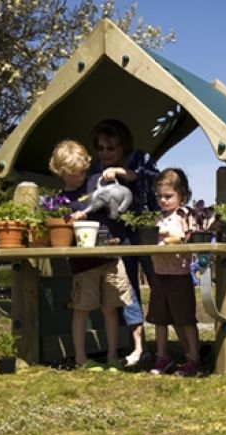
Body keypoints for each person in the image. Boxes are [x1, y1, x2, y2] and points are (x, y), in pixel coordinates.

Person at [49, 139, 132, 371]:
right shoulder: (60, 200)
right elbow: (59, 230)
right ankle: (81, 359)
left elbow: (118, 196)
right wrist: (70, 219)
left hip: (110, 257)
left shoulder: (97, 182)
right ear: (61, 173)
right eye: (75, 174)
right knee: (82, 309)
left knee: (111, 309)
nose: (80, 177)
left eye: (83, 171)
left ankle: (113, 355)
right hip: (84, 263)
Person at [90, 119, 159, 366]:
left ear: (123, 147)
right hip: (119, 237)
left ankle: (167, 347)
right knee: (128, 291)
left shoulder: (139, 159)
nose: (105, 153)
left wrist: (123, 173)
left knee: (159, 285)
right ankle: (139, 348)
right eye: (101, 148)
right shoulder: (96, 171)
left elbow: (154, 184)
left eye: (111, 148)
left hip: (148, 231)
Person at [146, 167, 202, 376]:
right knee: (160, 318)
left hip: (179, 275)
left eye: (168, 196)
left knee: (185, 318)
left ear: (183, 195)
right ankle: (162, 357)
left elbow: (188, 235)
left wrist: (168, 235)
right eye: (159, 196)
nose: (163, 200)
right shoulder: (157, 218)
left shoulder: (185, 214)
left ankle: (194, 358)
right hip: (159, 273)